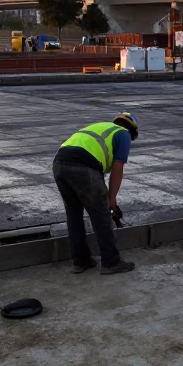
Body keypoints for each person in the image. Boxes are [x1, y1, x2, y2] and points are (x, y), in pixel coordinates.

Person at [53, 112, 139, 275]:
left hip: (59, 165)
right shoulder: (123, 133)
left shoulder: (100, 128)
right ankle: (111, 262)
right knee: (101, 215)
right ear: (134, 131)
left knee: (74, 215)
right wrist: (111, 200)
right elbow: (117, 168)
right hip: (82, 166)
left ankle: (81, 261)